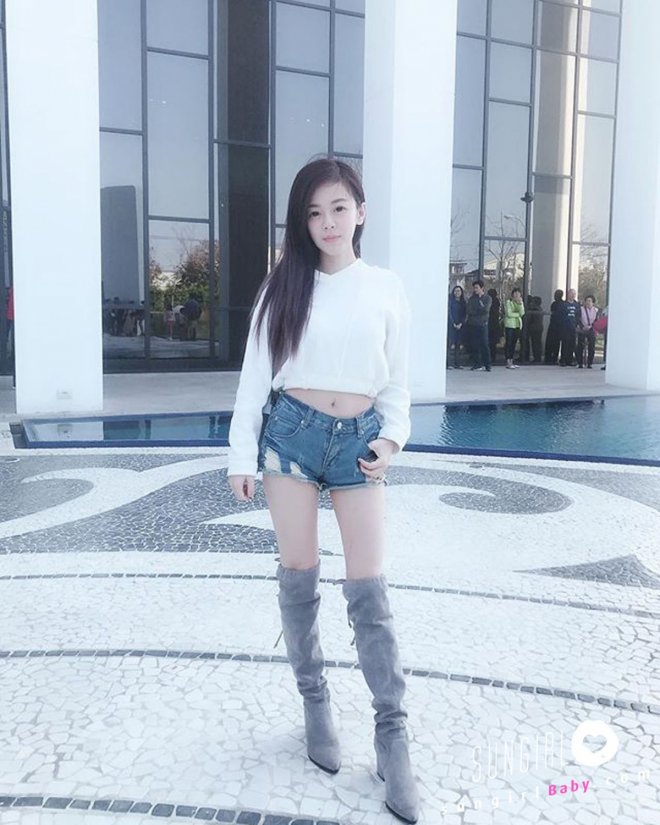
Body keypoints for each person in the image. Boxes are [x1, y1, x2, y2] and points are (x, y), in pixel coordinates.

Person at [227, 158, 419, 824]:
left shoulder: (387, 287)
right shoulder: (284, 287)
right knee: (300, 576)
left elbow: (397, 385)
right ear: (302, 222)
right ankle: (316, 706)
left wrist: (390, 441)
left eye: (338, 208)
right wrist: (240, 454)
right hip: (290, 438)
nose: (327, 223)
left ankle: (392, 736)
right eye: (313, 213)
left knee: (369, 590)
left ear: (361, 211)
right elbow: (255, 376)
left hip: (360, 442)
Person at [465, 280, 492, 371]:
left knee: (484, 344)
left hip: (483, 324)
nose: (475, 290)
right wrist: (479, 309)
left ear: (482, 288)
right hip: (473, 324)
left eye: (477, 288)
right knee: (474, 344)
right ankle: (477, 364)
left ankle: (487, 364)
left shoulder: (487, 298)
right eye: (474, 288)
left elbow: (486, 310)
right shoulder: (472, 299)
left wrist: (477, 310)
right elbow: (469, 310)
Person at [503, 288, 525, 369]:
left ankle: (511, 361)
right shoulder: (509, 302)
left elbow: (522, 313)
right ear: (512, 294)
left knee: (513, 343)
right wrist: (517, 314)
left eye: (518, 294)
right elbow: (508, 314)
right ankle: (508, 361)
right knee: (509, 343)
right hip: (509, 325)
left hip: (517, 325)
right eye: (515, 293)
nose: (516, 295)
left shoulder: (520, 302)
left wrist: (520, 304)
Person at [559, 288, 580, 366]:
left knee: (572, 344)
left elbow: (578, 316)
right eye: (572, 293)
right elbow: (560, 315)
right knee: (565, 343)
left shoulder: (577, 305)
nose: (573, 295)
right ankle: (563, 360)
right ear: (568, 294)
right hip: (565, 327)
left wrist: (577, 325)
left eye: (574, 294)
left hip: (573, 327)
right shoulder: (563, 304)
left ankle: (569, 360)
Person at [576, 294, 598, 369]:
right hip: (582, 329)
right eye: (587, 301)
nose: (588, 302)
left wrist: (592, 327)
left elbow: (596, 321)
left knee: (591, 346)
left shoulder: (596, 310)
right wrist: (582, 326)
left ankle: (589, 363)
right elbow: (578, 319)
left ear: (593, 302)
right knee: (580, 345)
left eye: (590, 301)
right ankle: (580, 362)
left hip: (591, 329)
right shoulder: (581, 309)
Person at [447, 285, 466, 369]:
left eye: (459, 291)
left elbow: (465, 314)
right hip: (452, 325)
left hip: (460, 326)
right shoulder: (450, 302)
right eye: (455, 291)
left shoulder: (463, 302)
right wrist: (453, 323)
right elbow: (449, 313)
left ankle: (457, 363)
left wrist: (461, 323)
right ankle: (449, 363)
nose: (457, 292)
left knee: (458, 345)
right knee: (450, 344)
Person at [544, 289, 564, 365]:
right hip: (556, 325)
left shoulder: (557, 304)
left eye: (556, 295)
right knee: (554, 342)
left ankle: (550, 358)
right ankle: (552, 358)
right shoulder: (559, 304)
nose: (555, 296)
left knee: (553, 342)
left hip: (556, 325)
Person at [522, 295, 544, 363]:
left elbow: (529, 319)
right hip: (539, 328)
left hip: (533, 328)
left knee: (534, 343)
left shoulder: (533, 309)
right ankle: (537, 358)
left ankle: (533, 358)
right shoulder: (540, 309)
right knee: (537, 343)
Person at [487, 288, 501, 365]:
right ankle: (493, 357)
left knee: (489, 342)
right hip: (495, 324)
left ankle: (490, 357)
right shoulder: (497, 301)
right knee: (493, 344)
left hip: (490, 324)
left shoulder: (490, 301)